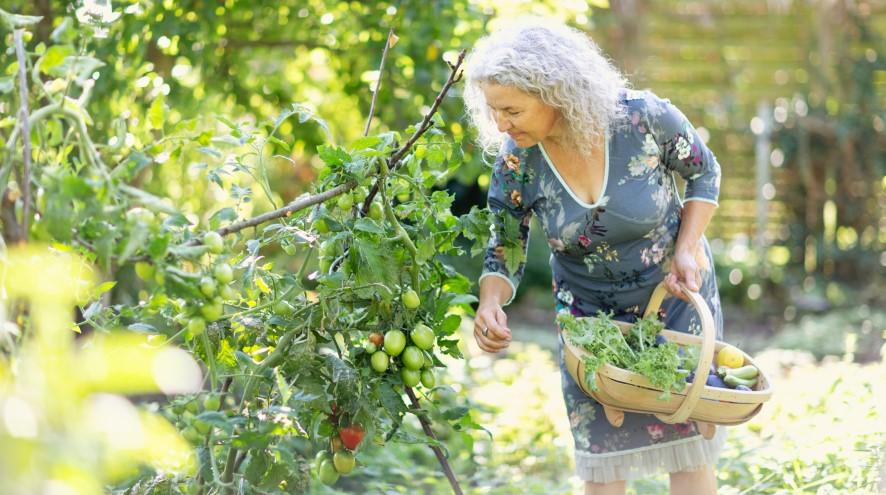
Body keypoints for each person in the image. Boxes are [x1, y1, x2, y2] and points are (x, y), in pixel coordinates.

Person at [463, 18, 725, 495]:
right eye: (492, 110)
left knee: (687, 446)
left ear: (554, 92)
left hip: (673, 300)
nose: (500, 123)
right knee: (602, 459)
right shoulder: (518, 161)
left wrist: (687, 247)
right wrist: (490, 302)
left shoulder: (642, 118)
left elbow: (704, 173)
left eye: (511, 109)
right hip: (590, 324)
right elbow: (505, 244)